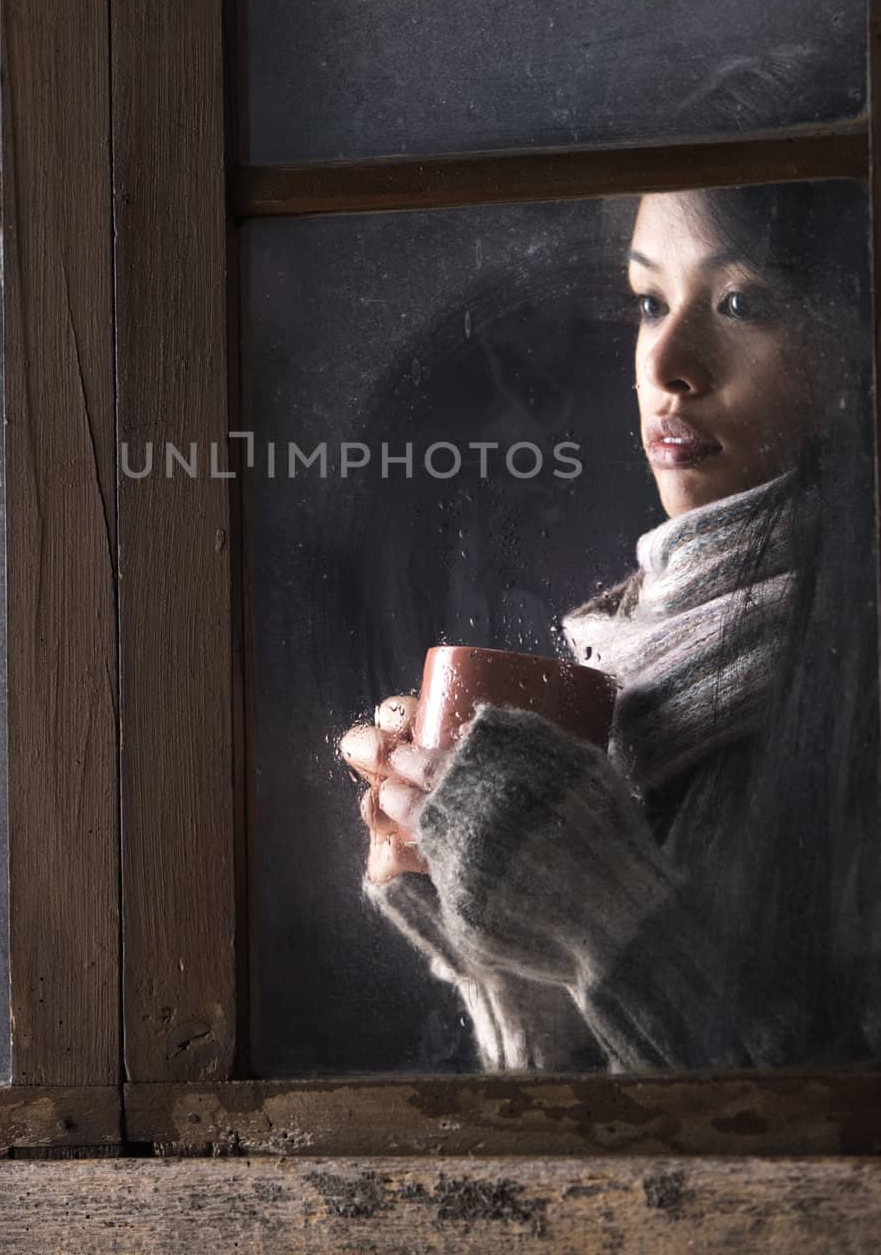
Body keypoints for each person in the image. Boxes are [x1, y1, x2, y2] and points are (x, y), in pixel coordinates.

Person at [339, 182, 881, 1072]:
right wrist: (497, 941)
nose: (666, 364)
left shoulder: (855, 677)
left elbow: (795, 1125)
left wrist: (595, 917)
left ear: (855, 345)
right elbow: (599, 1134)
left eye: (739, 303)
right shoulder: (633, 639)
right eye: (648, 303)